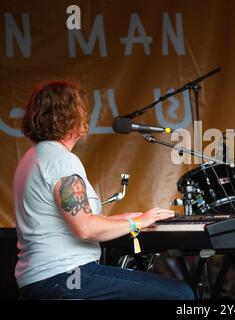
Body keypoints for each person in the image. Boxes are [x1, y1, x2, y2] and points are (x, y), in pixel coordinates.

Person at [13, 81, 194, 300]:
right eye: (80, 107)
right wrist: (137, 223)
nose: (85, 114)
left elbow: (72, 221)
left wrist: (129, 218)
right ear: (65, 114)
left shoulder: (34, 157)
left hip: (43, 278)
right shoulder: (61, 161)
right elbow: (85, 228)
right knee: (179, 295)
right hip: (66, 276)